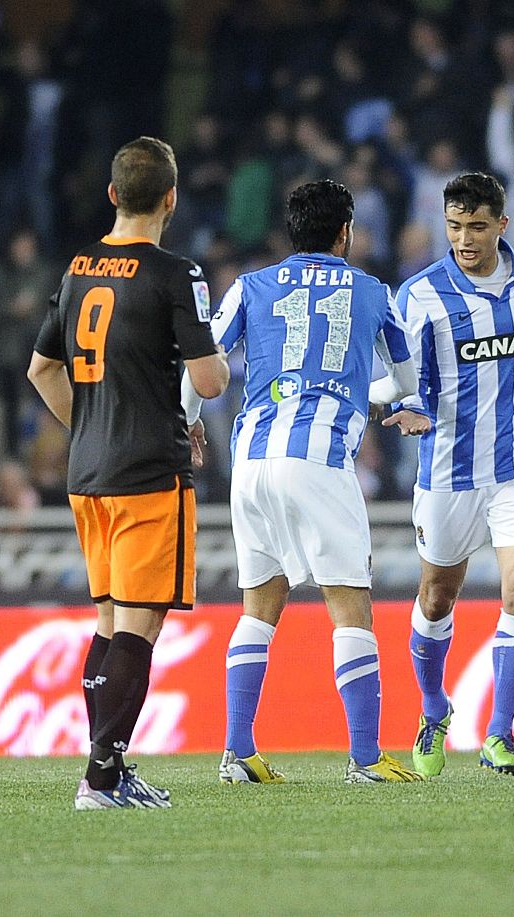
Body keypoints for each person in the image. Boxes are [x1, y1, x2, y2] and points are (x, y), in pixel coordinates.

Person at [191, 179, 424, 785]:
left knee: (259, 604)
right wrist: (373, 399)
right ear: (344, 232)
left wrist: (187, 422)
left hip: (253, 458)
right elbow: (404, 378)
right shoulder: (372, 290)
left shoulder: (249, 286)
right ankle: (367, 759)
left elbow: (203, 361)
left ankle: (237, 751)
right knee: (350, 606)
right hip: (319, 460)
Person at [27, 137, 231, 809]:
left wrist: (86, 428)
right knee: (139, 631)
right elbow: (207, 377)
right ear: (171, 198)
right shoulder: (177, 274)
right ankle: (102, 777)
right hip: (148, 471)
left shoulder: (78, 266)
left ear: (113, 194)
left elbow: (42, 368)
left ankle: (106, 771)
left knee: (109, 624)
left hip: (88, 472)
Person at [385, 172, 514, 778]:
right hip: (449, 469)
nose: (464, 239)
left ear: (502, 225)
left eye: (477, 227)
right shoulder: (421, 294)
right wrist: (411, 410)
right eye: (454, 227)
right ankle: (433, 708)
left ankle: (500, 734)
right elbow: (407, 375)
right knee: (436, 597)